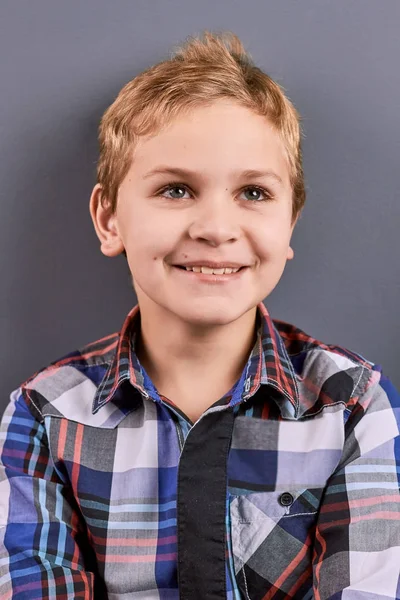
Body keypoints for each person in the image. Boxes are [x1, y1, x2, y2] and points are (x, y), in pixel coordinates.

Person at [0, 30, 399, 600]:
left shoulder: (352, 405)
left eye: (254, 194)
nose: (215, 227)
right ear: (110, 219)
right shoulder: (43, 416)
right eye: (176, 190)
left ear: (290, 223)